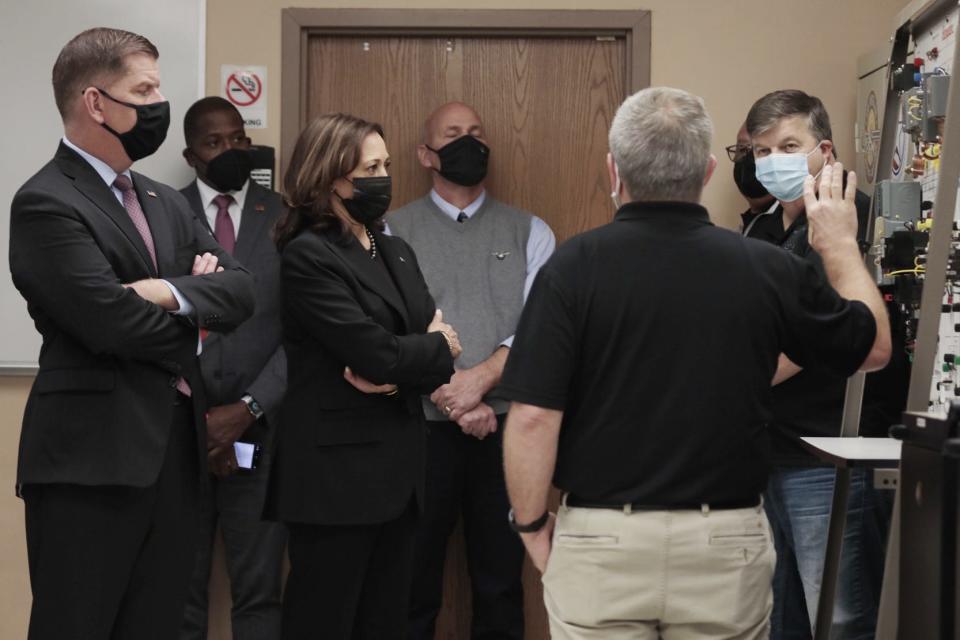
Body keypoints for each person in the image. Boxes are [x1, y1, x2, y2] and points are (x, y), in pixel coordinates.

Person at [499, 86, 891, 639]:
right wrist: (841, 245)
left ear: (614, 171)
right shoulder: (763, 265)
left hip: (603, 540)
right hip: (723, 541)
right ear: (707, 171)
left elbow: (534, 418)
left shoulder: (570, 270)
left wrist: (533, 525)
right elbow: (872, 349)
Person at [9, 28, 255, 639]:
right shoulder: (45, 201)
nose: (157, 105)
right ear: (96, 103)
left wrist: (166, 292)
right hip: (90, 465)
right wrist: (198, 310)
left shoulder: (163, 200)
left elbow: (243, 291)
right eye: (143, 90)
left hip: (175, 457)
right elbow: (111, 323)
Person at [265, 112, 462, 640]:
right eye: (370, 167)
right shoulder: (309, 255)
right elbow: (378, 353)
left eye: (387, 164)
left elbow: (435, 354)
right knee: (324, 622)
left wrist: (410, 364)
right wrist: (422, 352)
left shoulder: (394, 248)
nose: (384, 177)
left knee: (385, 624)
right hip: (334, 482)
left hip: (398, 475)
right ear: (332, 178)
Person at [389, 101, 555, 640]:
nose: (469, 142)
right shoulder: (389, 232)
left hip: (505, 432)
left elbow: (539, 331)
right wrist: (452, 395)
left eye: (476, 133)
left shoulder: (531, 232)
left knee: (500, 581)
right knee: (412, 582)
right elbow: (388, 330)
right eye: (453, 134)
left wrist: (480, 382)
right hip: (418, 431)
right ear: (425, 155)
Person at [745, 89, 906, 640]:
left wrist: (734, 374)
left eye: (788, 146)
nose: (773, 162)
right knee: (778, 613)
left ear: (825, 151)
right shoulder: (762, 228)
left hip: (831, 455)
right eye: (761, 152)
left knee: (837, 616)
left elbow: (824, 333)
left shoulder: (847, 223)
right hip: (771, 452)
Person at [178, 97, 287, 640]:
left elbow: (302, 333)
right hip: (179, 437)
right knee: (178, 595)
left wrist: (246, 410)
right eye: (213, 143)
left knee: (260, 592)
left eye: (237, 139)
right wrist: (201, 418)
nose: (229, 151)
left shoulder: (285, 217)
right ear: (190, 154)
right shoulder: (160, 213)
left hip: (261, 434)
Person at [727, 122, 776, 234]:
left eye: (761, 150)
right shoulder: (742, 232)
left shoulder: (798, 228)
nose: (749, 159)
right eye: (743, 149)